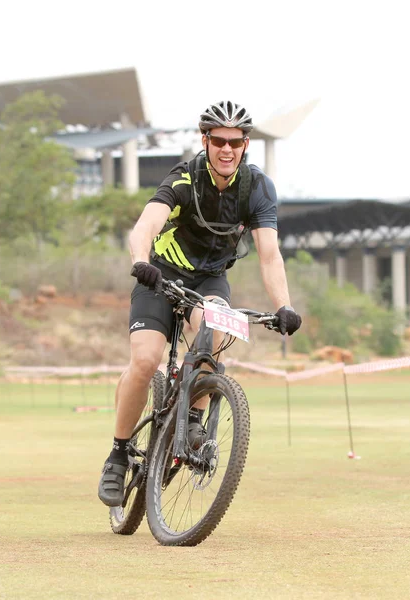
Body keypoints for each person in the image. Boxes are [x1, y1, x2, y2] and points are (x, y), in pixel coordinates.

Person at [98, 100, 302, 507]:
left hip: (210, 278)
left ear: (246, 145)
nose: (228, 149)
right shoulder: (184, 179)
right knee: (144, 360)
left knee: (217, 333)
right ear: (205, 140)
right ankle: (118, 454)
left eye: (237, 142)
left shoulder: (258, 188)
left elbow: (269, 255)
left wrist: (284, 305)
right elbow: (146, 226)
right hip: (161, 274)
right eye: (220, 141)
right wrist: (141, 263)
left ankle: (192, 417)